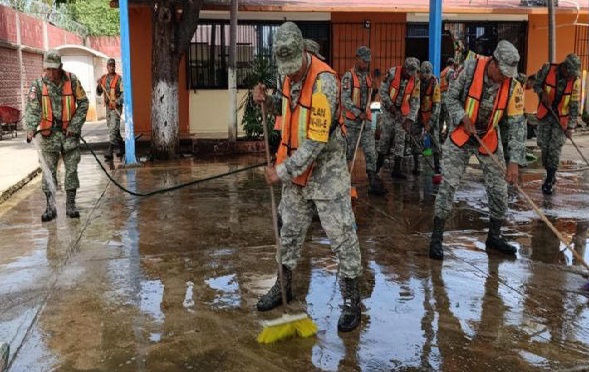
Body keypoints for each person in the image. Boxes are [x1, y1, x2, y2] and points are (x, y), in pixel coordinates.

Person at [252, 22, 363, 332]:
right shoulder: (289, 76)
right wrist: (267, 99)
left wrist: (280, 171)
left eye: (293, 66)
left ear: (304, 51)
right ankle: (283, 286)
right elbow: (292, 109)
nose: (290, 73)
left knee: (341, 238)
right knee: (288, 233)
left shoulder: (325, 83)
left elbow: (315, 142)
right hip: (297, 176)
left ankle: (353, 300)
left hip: (326, 175)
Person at [428, 40, 527, 260]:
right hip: (462, 134)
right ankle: (436, 238)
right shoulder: (470, 69)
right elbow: (450, 99)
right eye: (502, 72)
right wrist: (462, 117)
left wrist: (514, 162)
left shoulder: (513, 85)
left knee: (499, 190)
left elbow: (518, 124)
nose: (504, 77)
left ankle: (494, 236)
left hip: (488, 137)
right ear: (493, 62)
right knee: (449, 185)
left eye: (508, 74)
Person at [26, 49, 89, 221]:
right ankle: (50, 207)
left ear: (61, 67)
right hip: (47, 137)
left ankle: (70, 205)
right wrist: (31, 128)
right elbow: (32, 109)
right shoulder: (38, 84)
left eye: (54, 69)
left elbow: (83, 103)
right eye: (48, 68)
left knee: (71, 170)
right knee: (48, 173)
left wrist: (75, 126)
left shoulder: (72, 80)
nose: (51, 72)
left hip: (69, 135)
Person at [533, 53, 582, 195]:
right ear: (565, 68)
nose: (573, 76)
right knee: (543, 145)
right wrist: (542, 93)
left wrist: (571, 127)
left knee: (554, 148)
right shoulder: (548, 69)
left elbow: (574, 105)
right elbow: (536, 84)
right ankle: (550, 172)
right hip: (545, 114)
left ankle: (549, 179)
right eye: (571, 73)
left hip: (561, 119)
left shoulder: (575, 82)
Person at [341, 46, 386, 195]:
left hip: (366, 122)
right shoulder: (348, 77)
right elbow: (344, 99)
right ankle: (342, 182)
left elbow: (370, 99)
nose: (366, 64)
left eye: (368, 61)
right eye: (364, 61)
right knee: (348, 153)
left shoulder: (368, 76)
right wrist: (357, 112)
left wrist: (374, 91)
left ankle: (373, 181)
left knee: (370, 152)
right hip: (352, 123)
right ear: (357, 58)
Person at [376, 57, 421, 180]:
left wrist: (410, 120)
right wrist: (391, 107)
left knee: (400, 140)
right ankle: (377, 168)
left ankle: (396, 170)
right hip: (388, 111)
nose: (410, 75)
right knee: (385, 137)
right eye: (409, 72)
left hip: (403, 114)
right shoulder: (392, 72)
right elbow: (383, 91)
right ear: (404, 68)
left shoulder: (416, 80)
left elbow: (416, 102)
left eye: (413, 73)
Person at [413, 61, 442, 174]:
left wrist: (431, 123)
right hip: (418, 115)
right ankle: (417, 166)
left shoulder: (435, 84)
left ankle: (437, 166)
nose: (424, 76)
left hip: (431, 116)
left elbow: (437, 105)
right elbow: (413, 100)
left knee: (435, 141)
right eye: (423, 74)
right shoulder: (416, 82)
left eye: (427, 74)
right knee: (415, 140)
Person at [96, 58, 124, 160]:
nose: (111, 67)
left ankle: (110, 151)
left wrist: (117, 102)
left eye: (113, 65)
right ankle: (122, 147)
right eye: (110, 65)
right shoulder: (103, 78)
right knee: (113, 128)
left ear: (115, 67)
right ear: (107, 67)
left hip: (116, 107)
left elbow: (124, 93)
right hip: (108, 108)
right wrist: (99, 85)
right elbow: (99, 92)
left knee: (113, 128)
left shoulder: (119, 79)